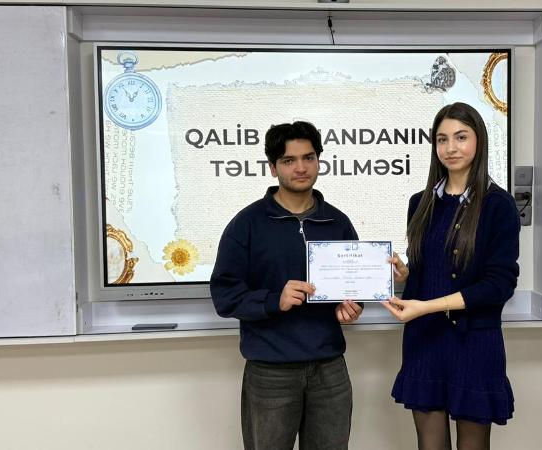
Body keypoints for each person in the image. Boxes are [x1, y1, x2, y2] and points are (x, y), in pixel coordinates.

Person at [210, 121, 363, 450]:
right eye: (289, 160)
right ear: (272, 167)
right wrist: (273, 301)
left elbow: (355, 285)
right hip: (270, 373)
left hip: (330, 369)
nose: (301, 168)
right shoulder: (246, 224)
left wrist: (351, 306)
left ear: (319, 161)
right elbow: (225, 296)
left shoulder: (338, 222)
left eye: (308, 158)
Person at [383, 102, 520, 450]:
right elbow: (431, 272)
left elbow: (499, 284)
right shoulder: (420, 202)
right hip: (425, 340)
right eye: (442, 139)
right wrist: (406, 275)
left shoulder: (498, 204)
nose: (451, 148)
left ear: (479, 141)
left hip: (474, 342)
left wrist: (428, 306)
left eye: (461, 137)